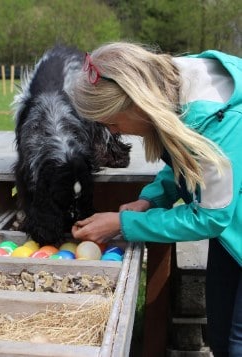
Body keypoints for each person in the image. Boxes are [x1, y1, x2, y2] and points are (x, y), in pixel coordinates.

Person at [68, 42, 242, 356]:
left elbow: (211, 216)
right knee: (218, 334)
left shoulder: (219, 121)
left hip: (228, 222)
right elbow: (188, 159)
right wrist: (150, 200)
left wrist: (124, 222)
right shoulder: (169, 85)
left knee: (237, 346)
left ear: (136, 104)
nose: (115, 132)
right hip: (234, 237)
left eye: (113, 123)